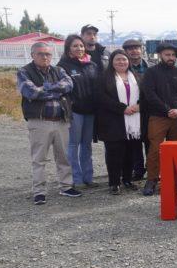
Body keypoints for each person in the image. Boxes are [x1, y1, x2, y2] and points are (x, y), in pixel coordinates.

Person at [17, 42, 81, 204]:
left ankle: (66, 187)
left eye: (48, 54)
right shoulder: (24, 71)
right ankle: (39, 191)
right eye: (40, 54)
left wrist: (44, 89)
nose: (45, 57)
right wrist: (56, 91)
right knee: (39, 159)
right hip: (39, 122)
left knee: (64, 157)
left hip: (61, 121)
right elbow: (30, 92)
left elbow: (69, 85)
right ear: (33, 55)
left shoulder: (58, 70)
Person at [141, 42, 177, 196]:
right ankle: (152, 180)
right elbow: (149, 94)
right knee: (155, 149)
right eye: (167, 55)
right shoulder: (151, 73)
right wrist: (167, 109)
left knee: (176, 148)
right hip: (158, 117)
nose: (170, 57)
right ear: (161, 55)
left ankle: (174, 178)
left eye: (173, 55)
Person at [94, 50, 144, 195]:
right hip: (113, 121)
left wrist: (139, 106)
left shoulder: (137, 77)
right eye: (118, 60)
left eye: (124, 59)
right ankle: (114, 183)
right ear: (111, 62)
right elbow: (100, 98)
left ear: (128, 61)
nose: (121, 62)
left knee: (130, 153)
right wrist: (122, 108)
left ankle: (127, 180)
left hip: (134, 122)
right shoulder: (104, 78)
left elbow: (145, 95)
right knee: (114, 153)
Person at [57, 34, 100, 188]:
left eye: (81, 46)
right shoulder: (62, 66)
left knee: (87, 144)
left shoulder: (92, 65)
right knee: (73, 144)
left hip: (90, 111)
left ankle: (88, 176)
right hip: (74, 111)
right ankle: (75, 178)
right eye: (75, 46)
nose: (79, 49)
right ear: (68, 48)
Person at [123, 39, 152, 181]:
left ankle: (152, 170)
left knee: (150, 141)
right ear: (126, 51)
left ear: (142, 50)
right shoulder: (122, 69)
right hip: (131, 110)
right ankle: (138, 170)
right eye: (130, 49)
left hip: (149, 109)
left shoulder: (151, 67)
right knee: (134, 142)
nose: (134, 51)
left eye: (137, 48)